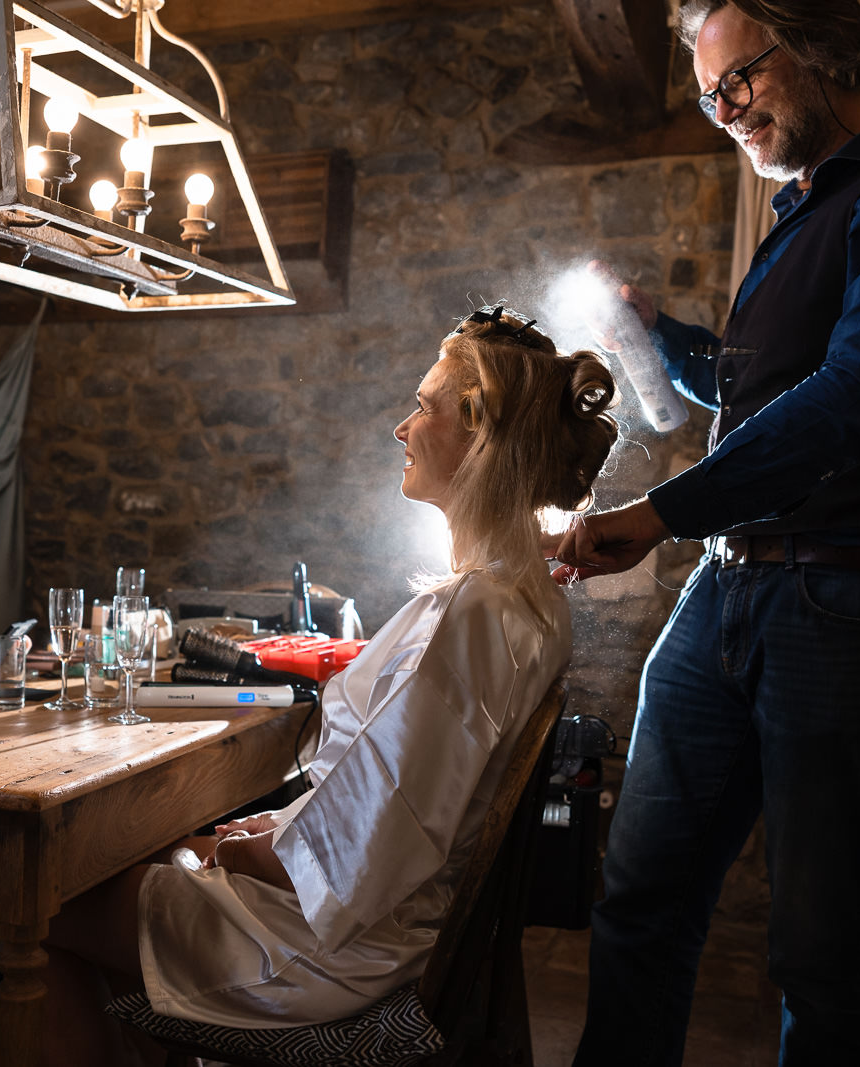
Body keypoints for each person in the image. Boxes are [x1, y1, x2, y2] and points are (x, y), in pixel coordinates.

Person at [552, 3, 860, 1064]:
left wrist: (657, 515)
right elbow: (741, 385)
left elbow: (855, 396)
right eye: (709, 98)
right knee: (636, 898)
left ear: (820, 43)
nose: (724, 112)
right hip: (726, 587)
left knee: (819, 947)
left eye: (740, 81)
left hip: (853, 601)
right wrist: (655, 333)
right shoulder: (797, 212)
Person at [40, 308, 620, 1066]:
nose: (402, 427)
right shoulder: (523, 601)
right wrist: (266, 833)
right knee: (161, 862)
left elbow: (370, 847)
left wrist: (242, 851)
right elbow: (390, 806)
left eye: (424, 406)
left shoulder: (475, 612)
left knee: (44, 907)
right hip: (377, 922)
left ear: (479, 437)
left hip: (337, 953)